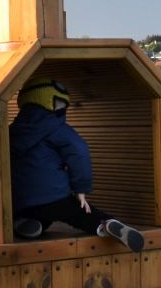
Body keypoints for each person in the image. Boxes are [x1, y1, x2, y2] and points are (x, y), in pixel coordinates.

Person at [9, 77, 146, 252]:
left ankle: (25, 224)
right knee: (79, 214)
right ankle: (106, 225)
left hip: (20, 199)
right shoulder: (58, 129)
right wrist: (80, 189)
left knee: (36, 213)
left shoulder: (11, 131)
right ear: (51, 103)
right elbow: (79, 152)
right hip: (56, 195)